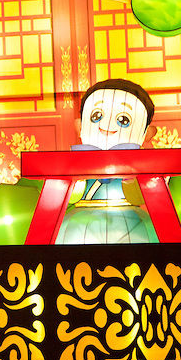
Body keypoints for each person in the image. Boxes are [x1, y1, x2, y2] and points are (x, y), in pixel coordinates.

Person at [56, 78, 158, 244]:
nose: (108, 125)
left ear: (147, 134)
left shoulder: (140, 166)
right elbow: (71, 197)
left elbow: (139, 197)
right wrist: (79, 177)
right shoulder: (77, 160)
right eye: (97, 116)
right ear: (80, 127)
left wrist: (129, 178)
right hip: (80, 218)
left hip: (131, 218)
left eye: (123, 120)